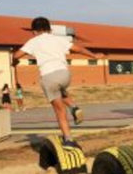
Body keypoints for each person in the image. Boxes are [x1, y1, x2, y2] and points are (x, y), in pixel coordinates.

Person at [12, 17, 103, 149]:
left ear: (34, 31)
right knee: (60, 90)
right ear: (49, 29)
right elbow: (78, 48)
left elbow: (16, 55)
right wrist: (94, 56)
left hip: (48, 76)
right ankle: (74, 107)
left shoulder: (33, 41)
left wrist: (14, 62)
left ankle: (68, 139)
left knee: (60, 111)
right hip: (65, 74)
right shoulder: (58, 39)